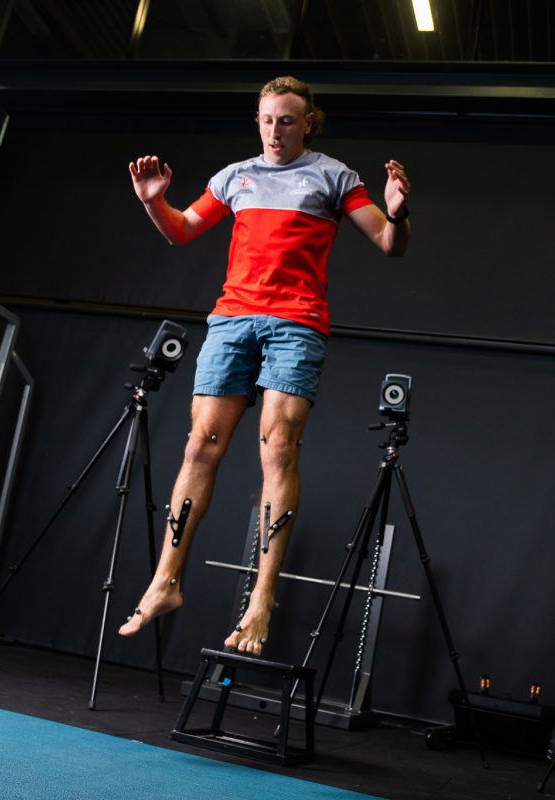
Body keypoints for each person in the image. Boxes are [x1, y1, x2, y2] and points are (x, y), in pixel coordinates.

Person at [118, 76, 411, 655]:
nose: (275, 131)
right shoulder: (234, 176)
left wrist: (398, 215)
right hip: (232, 319)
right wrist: (155, 202)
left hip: (296, 324)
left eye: (287, 121)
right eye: (267, 120)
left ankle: (261, 600)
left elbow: (387, 242)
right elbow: (182, 230)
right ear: (257, 121)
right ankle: (165, 583)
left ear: (308, 123)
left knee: (276, 448)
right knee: (200, 446)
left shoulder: (335, 176)